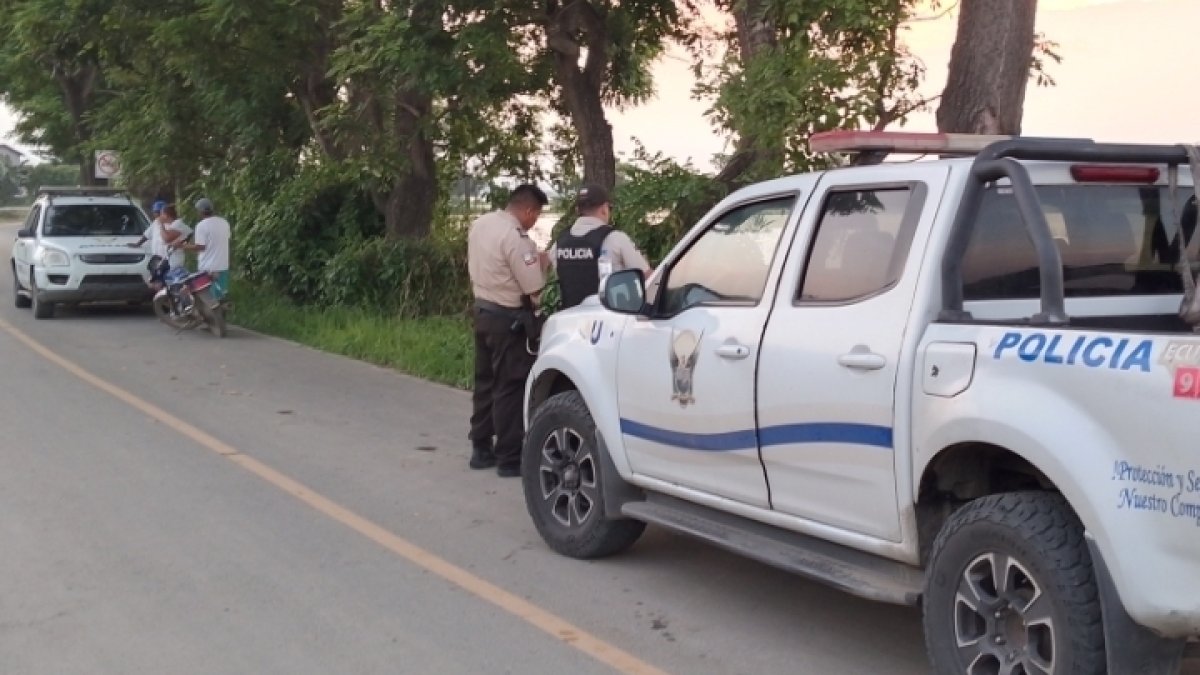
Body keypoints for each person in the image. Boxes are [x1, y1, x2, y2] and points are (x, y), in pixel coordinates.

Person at [466, 184, 549, 477]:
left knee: (484, 382)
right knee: (510, 387)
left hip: (482, 312)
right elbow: (534, 289)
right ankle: (509, 457)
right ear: (527, 210)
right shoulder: (516, 238)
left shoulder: (481, 224)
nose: (534, 222)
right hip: (508, 321)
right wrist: (544, 265)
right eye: (536, 215)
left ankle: (480, 447)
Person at [548, 184, 652, 309]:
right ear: (604, 209)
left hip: (571, 317)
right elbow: (648, 277)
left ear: (577, 210)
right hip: (609, 316)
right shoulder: (616, 239)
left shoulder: (558, 244)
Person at [178, 197, 231, 302]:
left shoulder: (201, 226)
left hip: (208, 268)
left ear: (200, 211)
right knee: (221, 295)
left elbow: (200, 247)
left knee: (208, 298)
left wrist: (183, 246)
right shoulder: (224, 222)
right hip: (223, 265)